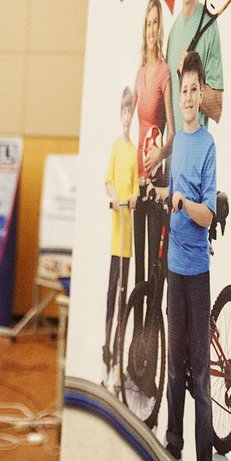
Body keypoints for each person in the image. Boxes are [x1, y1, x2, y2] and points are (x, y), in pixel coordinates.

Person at [164, 52, 218, 461]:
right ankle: (173, 441)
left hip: (196, 271)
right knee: (174, 359)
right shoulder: (177, 141)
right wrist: (159, 191)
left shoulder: (205, 145)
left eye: (194, 91)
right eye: (183, 90)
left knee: (199, 369)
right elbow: (173, 192)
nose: (187, 97)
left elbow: (207, 213)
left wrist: (183, 202)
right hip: (172, 269)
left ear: (202, 98)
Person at [150, 0, 224, 172]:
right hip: (170, 169)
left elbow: (217, 109)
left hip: (194, 165)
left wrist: (191, 77)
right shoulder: (172, 34)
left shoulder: (209, 25)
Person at [133, 0, 175, 284]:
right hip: (139, 178)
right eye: (148, 23)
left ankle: (152, 328)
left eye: (156, 23)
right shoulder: (138, 74)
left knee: (152, 265)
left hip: (158, 178)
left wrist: (159, 154)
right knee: (138, 268)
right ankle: (138, 331)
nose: (151, 29)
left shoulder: (164, 73)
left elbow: (173, 131)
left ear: (160, 29)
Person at [103, 87, 138, 373]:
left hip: (129, 235)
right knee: (112, 292)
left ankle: (118, 348)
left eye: (130, 113)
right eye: (124, 113)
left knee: (125, 293)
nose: (127, 118)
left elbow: (136, 185)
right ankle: (106, 345)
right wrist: (114, 198)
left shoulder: (133, 150)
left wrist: (134, 197)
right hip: (117, 233)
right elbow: (108, 181)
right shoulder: (116, 146)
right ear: (120, 115)